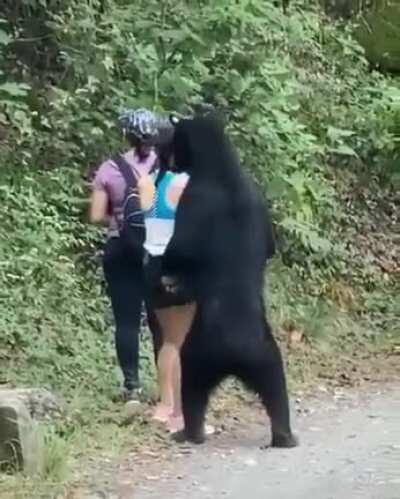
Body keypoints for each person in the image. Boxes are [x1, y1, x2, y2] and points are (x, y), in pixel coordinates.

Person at [89, 108, 163, 402]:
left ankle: (132, 387)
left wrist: (117, 213)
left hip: (120, 247)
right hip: (158, 249)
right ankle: (168, 390)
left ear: (127, 136)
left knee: (126, 320)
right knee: (161, 320)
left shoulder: (109, 169)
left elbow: (96, 215)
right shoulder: (167, 166)